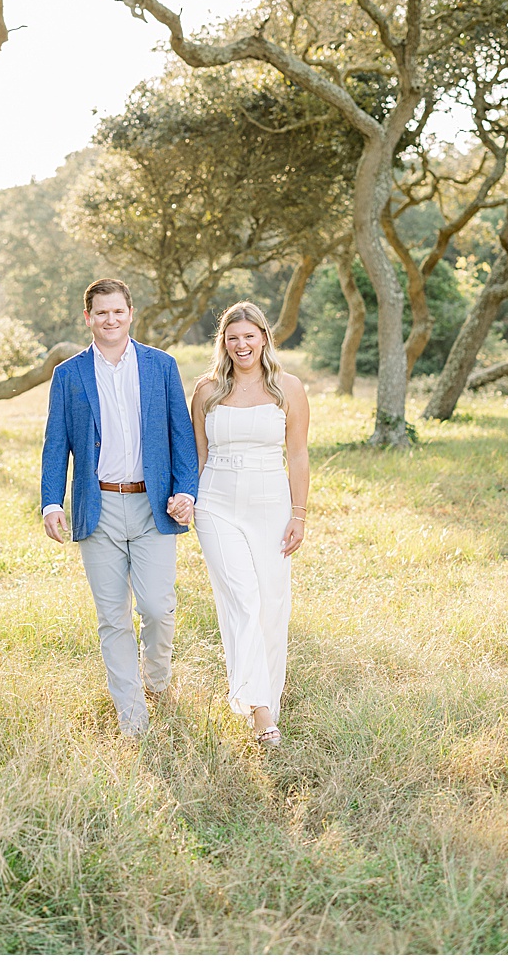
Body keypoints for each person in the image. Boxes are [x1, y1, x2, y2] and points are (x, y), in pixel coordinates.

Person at [41, 278, 199, 738]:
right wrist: (53, 501)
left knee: (156, 606)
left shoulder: (161, 366)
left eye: (118, 311)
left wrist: (187, 490)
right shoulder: (69, 375)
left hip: (154, 505)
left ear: (131, 313)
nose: (110, 320)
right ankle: (132, 716)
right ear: (87, 318)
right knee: (112, 616)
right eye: (101, 313)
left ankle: (156, 679)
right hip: (99, 506)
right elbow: (57, 445)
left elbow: (181, 437)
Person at [187, 301, 311, 748]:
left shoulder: (288, 388)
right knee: (242, 600)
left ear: (264, 338)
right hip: (216, 504)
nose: (242, 345)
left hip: (271, 505)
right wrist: (186, 500)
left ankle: (264, 698)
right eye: (232, 337)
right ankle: (261, 716)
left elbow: (297, 454)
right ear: (223, 342)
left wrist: (299, 514)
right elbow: (197, 457)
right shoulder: (206, 390)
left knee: (270, 606)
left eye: (249, 336)